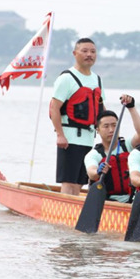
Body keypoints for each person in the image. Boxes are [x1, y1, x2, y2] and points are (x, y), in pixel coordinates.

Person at [49, 37, 104, 196]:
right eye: (85, 51)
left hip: (88, 139)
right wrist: (60, 135)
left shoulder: (97, 79)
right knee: (68, 181)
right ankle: (63, 217)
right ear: (75, 53)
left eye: (93, 52)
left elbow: (101, 109)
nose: (89, 55)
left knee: (80, 182)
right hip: (69, 138)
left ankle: (75, 215)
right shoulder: (66, 78)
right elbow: (55, 108)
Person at [84, 95, 140, 204]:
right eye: (106, 126)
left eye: (114, 125)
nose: (111, 130)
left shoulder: (127, 146)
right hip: (106, 201)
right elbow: (91, 173)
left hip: (132, 200)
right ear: (97, 130)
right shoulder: (94, 154)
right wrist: (98, 170)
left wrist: (131, 108)